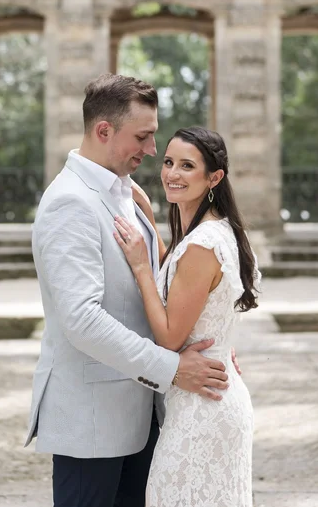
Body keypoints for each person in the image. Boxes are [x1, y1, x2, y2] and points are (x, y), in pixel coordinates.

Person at [25, 74, 233, 507]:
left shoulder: (126, 192)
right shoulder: (70, 202)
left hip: (140, 415)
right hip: (93, 421)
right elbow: (82, 321)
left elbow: (159, 284)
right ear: (104, 131)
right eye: (144, 136)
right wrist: (173, 368)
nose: (153, 150)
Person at [113, 125, 260, 506]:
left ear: (214, 177)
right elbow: (178, 279)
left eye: (187, 166)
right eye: (168, 162)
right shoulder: (213, 230)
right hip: (212, 397)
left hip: (203, 410)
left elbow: (170, 338)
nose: (172, 174)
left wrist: (140, 268)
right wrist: (146, 212)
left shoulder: (202, 243)